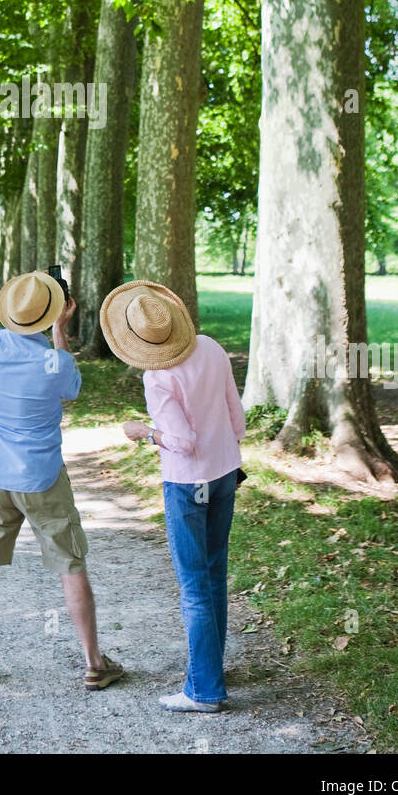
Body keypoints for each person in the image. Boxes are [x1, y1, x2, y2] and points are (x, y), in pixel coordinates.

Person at [0, 269, 124, 691]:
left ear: (10, 311)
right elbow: (71, 390)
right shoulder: (54, 361)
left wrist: (13, 290)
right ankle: (94, 663)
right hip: (42, 479)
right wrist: (59, 326)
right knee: (70, 565)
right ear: (53, 315)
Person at [100, 279, 246, 713]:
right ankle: (211, 668)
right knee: (215, 572)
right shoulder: (211, 346)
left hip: (187, 482)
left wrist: (144, 433)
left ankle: (204, 691)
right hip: (224, 473)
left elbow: (180, 442)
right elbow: (236, 417)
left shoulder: (158, 376)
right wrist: (225, 444)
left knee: (194, 585)